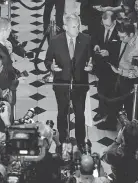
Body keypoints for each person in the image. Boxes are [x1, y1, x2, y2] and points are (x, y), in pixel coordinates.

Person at [44, 13, 93, 149]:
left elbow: (90, 59)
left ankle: (81, 142)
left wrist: (91, 66)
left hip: (80, 84)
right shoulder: (55, 41)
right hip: (61, 83)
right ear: (65, 27)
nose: (77, 29)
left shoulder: (86, 39)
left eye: (78, 26)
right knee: (62, 113)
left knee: (79, 114)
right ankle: (62, 141)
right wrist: (51, 66)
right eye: (73, 27)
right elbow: (47, 60)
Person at [110, 22, 138, 121]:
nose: (120, 39)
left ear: (131, 34)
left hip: (131, 82)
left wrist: (121, 73)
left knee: (130, 109)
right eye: (119, 36)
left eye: (123, 37)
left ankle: (130, 131)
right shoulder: (127, 39)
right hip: (121, 76)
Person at [91, 11, 121, 129]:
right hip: (101, 65)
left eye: (108, 25)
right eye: (104, 25)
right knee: (101, 88)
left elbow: (121, 49)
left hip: (114, 67)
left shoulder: (120, 30)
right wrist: (96, 45)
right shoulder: (101, 26)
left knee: (112, 92)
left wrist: (109, 53)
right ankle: (102, 110)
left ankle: (110, 115)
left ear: (114, 21)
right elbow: (94, 38)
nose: (105, 27)